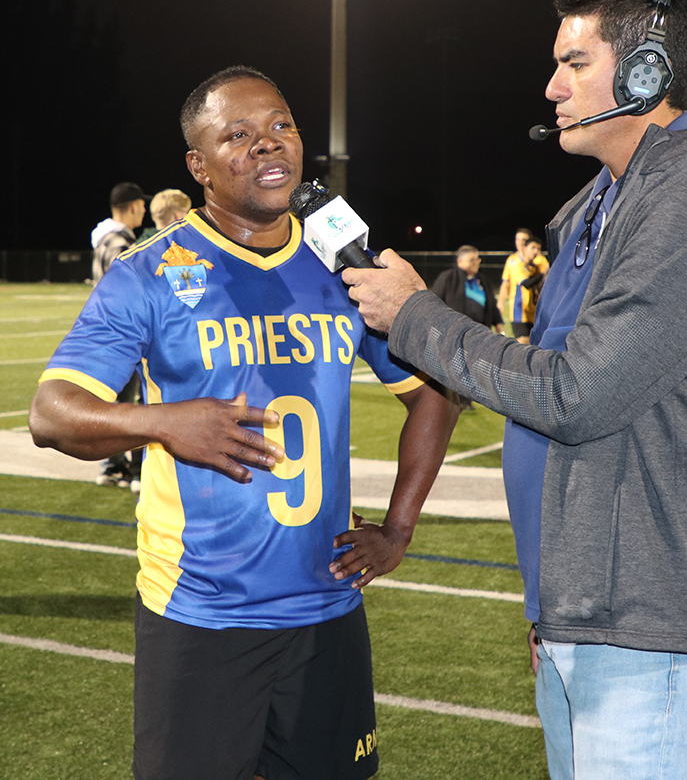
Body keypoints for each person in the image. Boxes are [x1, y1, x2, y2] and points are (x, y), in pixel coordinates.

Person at [340, 0, 687, 779]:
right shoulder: (594, 206)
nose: (552, 87)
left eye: (574, 63)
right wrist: (554, 599)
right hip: (583, 609)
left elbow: (576, 392)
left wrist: (415, 316)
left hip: (643, 621)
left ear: (645, 74)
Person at [29, 66, 458, 780]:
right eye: (238, 135)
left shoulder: (344, 269)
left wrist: (399, 528)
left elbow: (435, 395)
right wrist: (166, 422)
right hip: (201, 614)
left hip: (326, 608)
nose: (268, 143)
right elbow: (51, 413)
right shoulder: (148, 273)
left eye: (281, 126)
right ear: (198, 167)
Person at [90, 181, 151, 489]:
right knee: (133, 404)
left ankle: (114, 466)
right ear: (133, 206)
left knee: (114, 403)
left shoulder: (103, 239)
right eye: (142, 205)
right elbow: (126, 288)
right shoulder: (120, 242)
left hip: (106, 331)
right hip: (125, 332)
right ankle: (130, 468)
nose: (144, 210)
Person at [430, 245, 504, 332]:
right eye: (472, 260)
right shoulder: (448, 278)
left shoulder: (484, 281)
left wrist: (499, 324)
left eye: (477, 259)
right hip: (454, 332)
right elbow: (434, 302)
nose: (476, 263)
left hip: (481, 332)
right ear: (459, 261)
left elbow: (492, 305)